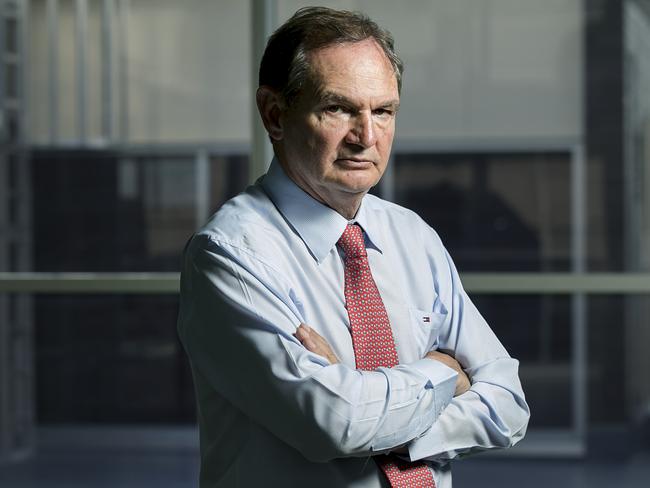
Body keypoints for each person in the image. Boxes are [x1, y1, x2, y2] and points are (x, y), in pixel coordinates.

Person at [177, 6, 529, 488]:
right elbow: (335, 422)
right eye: (338, 108)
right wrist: (446, 371)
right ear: (275, 114)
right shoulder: (230, 254)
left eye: (382, 111)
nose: (366, 137)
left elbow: (508, 403)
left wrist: (377, 411)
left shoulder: (413, 237)